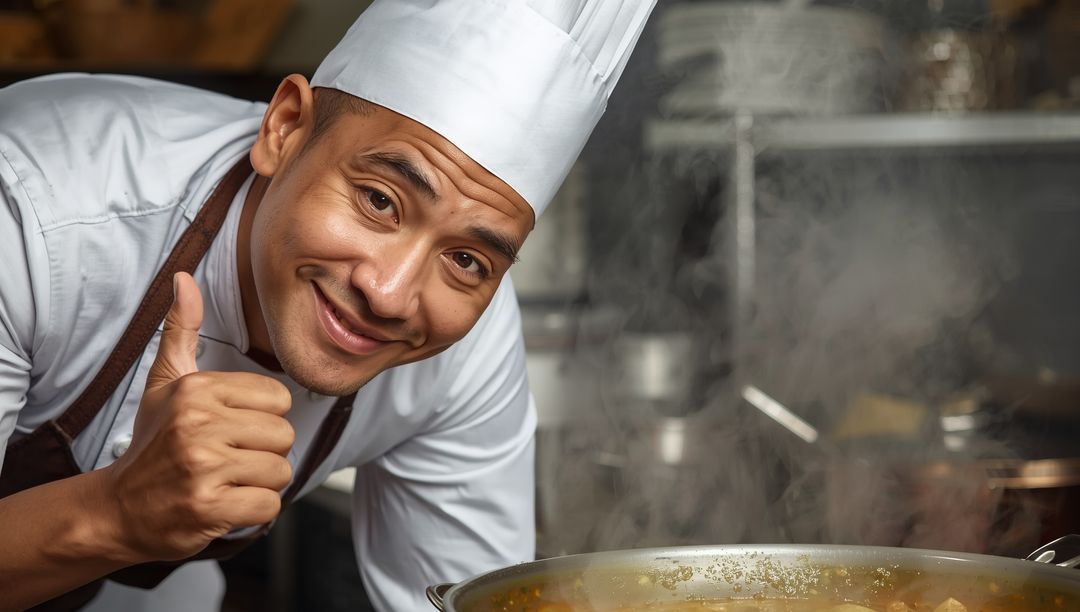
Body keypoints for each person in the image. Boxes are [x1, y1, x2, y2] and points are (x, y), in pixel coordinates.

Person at [0, 0, 656, 610]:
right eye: (379, 200)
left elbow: (464, 597)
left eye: (466, 259)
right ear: (285, 128)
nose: (390, 294)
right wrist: (115, 512)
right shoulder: (36, 208)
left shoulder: (462, 350)